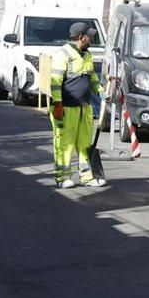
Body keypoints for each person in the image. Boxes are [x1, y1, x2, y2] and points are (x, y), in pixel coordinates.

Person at [49, 21, 104, 189]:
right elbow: (56, 82)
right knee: (64, 143)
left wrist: (101, 91)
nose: (92, 38)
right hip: (65, 108)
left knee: (84, 143)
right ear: (81, 37)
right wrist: (57, 103)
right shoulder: (63, 55)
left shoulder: (87, 55)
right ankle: (62, 177)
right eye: (90, 36)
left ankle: (86, 177)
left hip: (84, 108)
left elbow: (92, 77)